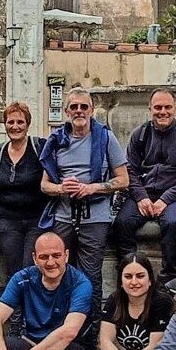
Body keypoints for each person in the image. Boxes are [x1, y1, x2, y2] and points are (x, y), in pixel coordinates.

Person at [39, 87, 128, 320]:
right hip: (63, 215)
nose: (79, 111)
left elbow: (123, 179)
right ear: (67, 111)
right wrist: (61, 188)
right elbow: (44, 185)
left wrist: (92, 188)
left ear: (91, 109)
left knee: (90, 275)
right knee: (57, 271)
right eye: (74, 107)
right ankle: (58, 323)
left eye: (84, 106)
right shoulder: (56, 140)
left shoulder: (105, 137)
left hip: (95, 215)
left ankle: (91, 327)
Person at [111, 90, 176, 285]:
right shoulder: (139, 135)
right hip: (144, 194)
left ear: (175, 108)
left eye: (167, 107)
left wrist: (166, 199)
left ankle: (170, 278)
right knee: (122, 223)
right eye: (158, 108)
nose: (163, 112)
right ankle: (128, 272)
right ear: (150, 109)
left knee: (172, 224)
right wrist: (141, 196)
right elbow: (130, 172)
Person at [92, 252, 175, 350]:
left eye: (140, 276)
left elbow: (155, 345)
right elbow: (105, 341)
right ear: (121, 281)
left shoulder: (161, 301)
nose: (134, 282)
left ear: (150, 280)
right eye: (128, 277)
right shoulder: (115, 299)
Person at [0, 102, 48, 276]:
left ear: (28, 124)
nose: (15, 127)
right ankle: (15, 304)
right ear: (5, 125)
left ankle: (30, 304)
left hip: (36, 220)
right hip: (7, 220)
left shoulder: (40, 147)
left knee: (31, 269)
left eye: (20, 122)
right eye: (10, 122)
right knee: (13, 272)